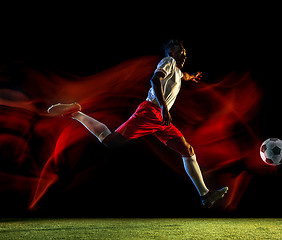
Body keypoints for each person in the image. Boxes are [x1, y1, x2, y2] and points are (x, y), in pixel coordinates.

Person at [48, 40, 228, 208]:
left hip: (161, 120)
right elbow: (155, 80)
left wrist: (192, 76)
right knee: (110, 141)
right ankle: (76, 113)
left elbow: (184, 76)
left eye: (186, 53)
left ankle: (205, 195)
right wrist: (164, 108)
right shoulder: (168, 61)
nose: (185, 55)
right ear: (172, 51)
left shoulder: (178, 71)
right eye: (182, 51)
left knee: (187, 151)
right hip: (151, 112)